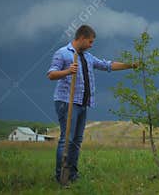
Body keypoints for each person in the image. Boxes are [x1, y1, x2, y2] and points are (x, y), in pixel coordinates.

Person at [47, 25, 136, 183]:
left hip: (82, 102)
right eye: (90, 41)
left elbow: (106, 65)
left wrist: (129, 65)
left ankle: (72, 175)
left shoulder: (87, 56)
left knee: (77, 140)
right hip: (66, 102)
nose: (91, 44)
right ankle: (61, 176)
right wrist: (68, 71)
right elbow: (51, 74)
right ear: (81, 38)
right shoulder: (63, 53)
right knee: (67, 139)